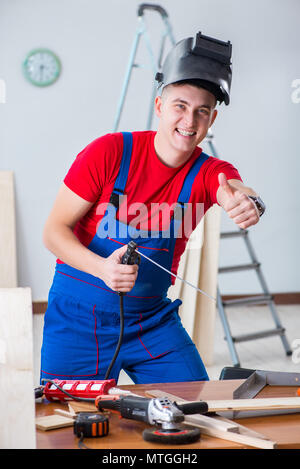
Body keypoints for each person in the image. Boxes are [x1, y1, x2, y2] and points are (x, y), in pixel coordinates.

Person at [40, 32, 265, 384]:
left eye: (201, 111)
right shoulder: (108, 153)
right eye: (180, 106)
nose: (189, 121)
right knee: (68, 426)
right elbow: (53, 232)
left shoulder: (209, 172)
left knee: (196, 411)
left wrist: (248, 203)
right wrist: (101, 269)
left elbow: (234, 188)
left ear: (212, 120)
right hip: (78, 320)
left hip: (152, 323)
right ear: (159, 106)